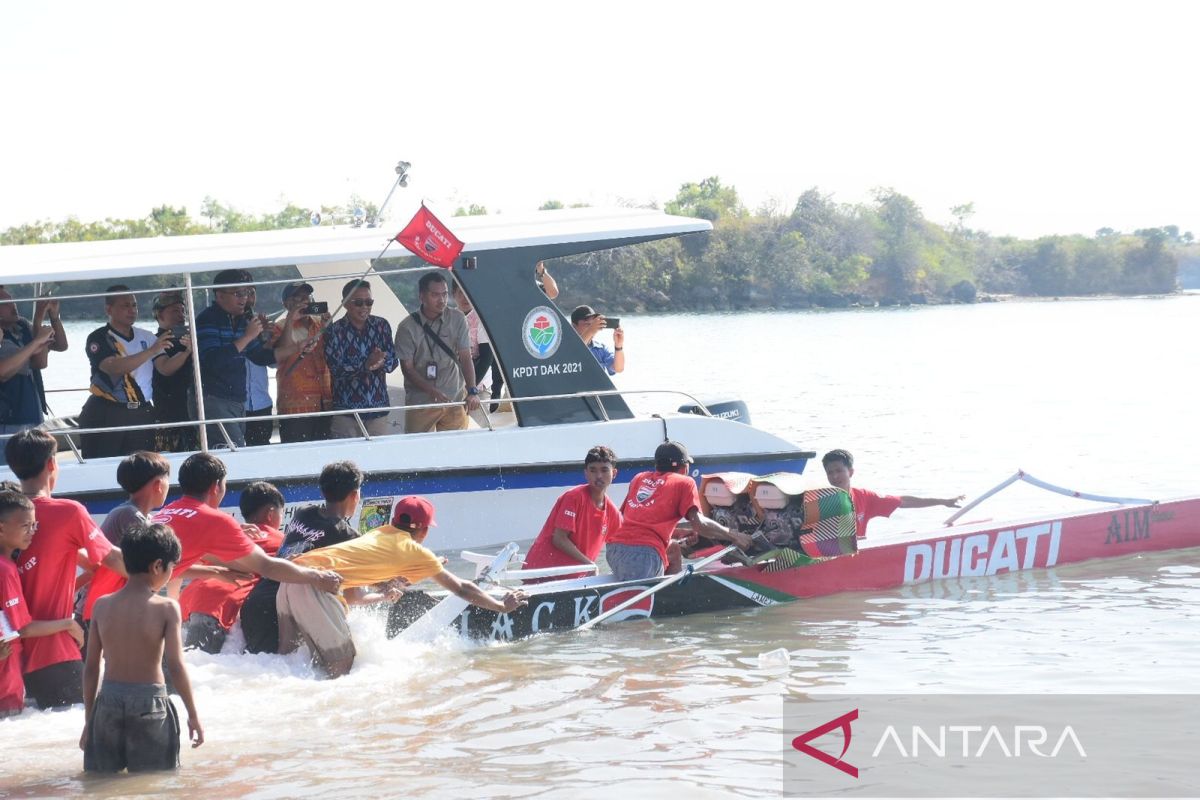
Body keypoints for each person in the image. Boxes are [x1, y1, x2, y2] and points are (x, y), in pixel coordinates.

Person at [278, 496, 528, 678]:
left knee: (286, 659)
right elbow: (462, 588)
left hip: (290, 578)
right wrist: (500, 605)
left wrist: (391, 586)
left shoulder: (377, 535)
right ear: (423, 528)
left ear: (395, 520)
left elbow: (360, 584)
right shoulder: (416, 552)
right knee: (342, 668)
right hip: (315, 583)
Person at [6, 429, 127, 709]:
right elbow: (113, 560)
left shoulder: (8, 518)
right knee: (87, 736)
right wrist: (156, 574)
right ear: (51, 464)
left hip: (12, 661)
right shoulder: (68, 512)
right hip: (53, 653)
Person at [81, 523, 203, 772]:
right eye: (172, 567)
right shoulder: (166, 608)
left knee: (101, 784)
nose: (171, 574)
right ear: (157, 566)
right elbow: (177, 667)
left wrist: (89, 720)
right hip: (150, 705)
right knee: (154, 784)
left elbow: (91, 667)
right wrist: (193, 715)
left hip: (107, 706)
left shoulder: (101, 606)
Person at [152, 452, 342, 601]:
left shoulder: (166, 512)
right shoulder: (215, 520)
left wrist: (216, 572)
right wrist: (317, 577)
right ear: (216, 486)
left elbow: (170, 567)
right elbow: (267, 567)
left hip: (130, 596)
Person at [240, 461, 363, 655]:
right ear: (354, 495)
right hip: (282, 612)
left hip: (254, 604)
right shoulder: (349, 537)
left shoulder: (303, 513)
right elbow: (354, 596)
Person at [605, 441, 751, 582]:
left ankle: (670, 591)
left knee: (674, 548)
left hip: (613, 551)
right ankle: (664, 601)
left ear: (657, 465)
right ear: (684, 468)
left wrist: (676, 533)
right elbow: (699, 525)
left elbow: (627, 521)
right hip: (643, 557)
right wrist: (734, 536)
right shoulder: (684, 482)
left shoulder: (639, 478)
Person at [0, 491, 85, 718]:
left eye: (34, 525)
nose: (33, 532)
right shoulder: (5, 570)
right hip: (6, 684)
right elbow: (22, 629)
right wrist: (68, 624)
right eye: (26, 526)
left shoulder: (8, 565)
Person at [180, 481, 285, 653]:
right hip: (216, 606)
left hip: (187, 601)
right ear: (271, 514)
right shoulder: (281, 541)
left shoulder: (228, 536)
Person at [77, 286, 170, 459]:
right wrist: (151, 351)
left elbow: (165, 367)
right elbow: (114, 367)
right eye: (125, 305)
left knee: (143, 467)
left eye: (134, 305)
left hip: (142, 411)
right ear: (109, 309)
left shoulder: (147, 336)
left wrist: (188, 352)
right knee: (102, 465)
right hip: (107, 411)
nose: (132, 310)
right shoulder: (99, 338)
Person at [82, 452, 173, 625]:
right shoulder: (130, 515)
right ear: (158, 485)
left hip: (107, 608)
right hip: (103, 611)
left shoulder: (129, 513)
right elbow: (153, 568)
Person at [194, 269, 275, 448]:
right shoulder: (207, 319)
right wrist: (247, 336)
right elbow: (212, 361)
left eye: (246, 293)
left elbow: (260, 357)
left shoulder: (241, 320)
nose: (244, 298)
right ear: (220, 295)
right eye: (238, 293)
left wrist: (297, 347)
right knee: (231, 452)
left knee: (236, 449)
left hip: (237, 400)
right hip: (214, 398)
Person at [522, 446, 621, 582]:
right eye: (593, 470)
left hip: (573, 581)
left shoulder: (612, 512)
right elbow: (559, 539)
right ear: (585, 473)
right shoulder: (574, 497)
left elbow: (620, 545)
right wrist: (589, 564)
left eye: (604, 470)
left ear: (614, 473)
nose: (598, 476)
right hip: (541, 575)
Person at [395, 271, 479, 433]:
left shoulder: (457, 318)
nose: (442, 300)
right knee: (418, 451)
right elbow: (407, 369)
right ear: (422, 296)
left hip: (454, 399)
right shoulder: (407, 327)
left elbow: (466, 357)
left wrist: (472, 390)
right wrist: (431, 391)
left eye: (445, 294)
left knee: (456, 451)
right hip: (421, 402)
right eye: (435, 295)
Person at [821, 449, 965, 538]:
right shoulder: (820, 502)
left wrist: (943, 501)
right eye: (830, 473)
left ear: (850, 472)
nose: (834, 477)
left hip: (859, 554)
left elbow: (903, 501)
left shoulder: (864, 497)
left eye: (839, 471)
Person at [323, 279, 399, 438]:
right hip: (347, 413)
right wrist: (366, 365)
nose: (365, 307)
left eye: (369, 302)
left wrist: (381, 362)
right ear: (344, 303)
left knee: (378, 461)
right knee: (344, 461)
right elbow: (335, 370)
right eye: (358, 302)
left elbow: (393, 362)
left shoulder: (382, 325)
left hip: (378, 411)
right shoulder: (334, 331)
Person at [272, 282, 332, 443]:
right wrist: (291, 318)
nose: (303, 301)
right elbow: (280, 354)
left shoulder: (320, 324)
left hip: (324, 402)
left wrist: (330, 327)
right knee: (297, 455)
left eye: (306, 297)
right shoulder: (278, 326)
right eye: (296, 298)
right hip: (295, 405)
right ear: (286, 304)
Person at [0, 288, 56, 447]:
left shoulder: (21, 326)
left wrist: (43, 320)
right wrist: (36, 342)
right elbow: (3, 372)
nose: (13, 305)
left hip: (30, 410)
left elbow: (40, 362)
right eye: (6, 302)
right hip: (8, 418)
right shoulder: (4, 339)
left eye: (12, 300)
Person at [150, 292, 195, 452]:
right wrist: (188, 351)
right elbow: (165, 369)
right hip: (168, 410)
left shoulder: (189, 338)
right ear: (160, 314)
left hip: (191, 407)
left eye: (182, 310)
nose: (181, 315)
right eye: (175, 311)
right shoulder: (154, 341)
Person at [452, 279, 494, 425]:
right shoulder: (448, 318)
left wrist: (470, 389)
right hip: (452, 388)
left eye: (468, 292)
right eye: (460, 293)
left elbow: (486, 358)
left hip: (478, 388)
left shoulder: (482, 319)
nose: (465, 297)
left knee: (478, 431)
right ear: (453, 294)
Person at [242, 285, 275, 447]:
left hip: (262, 401)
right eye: (243, 293)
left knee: (262, 447)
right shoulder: (228, 323)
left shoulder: (261, 323)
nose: (248, 297)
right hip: (237, 403)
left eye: (252, 293)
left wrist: (267, 338)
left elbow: (272, 362)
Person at [571, 305, 625, 375]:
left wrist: (618, 346)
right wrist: (591, 330)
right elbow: (574, 352)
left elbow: (618, 369)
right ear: (574, 326)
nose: (593, 328)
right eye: (587, 324)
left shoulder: (600, 349)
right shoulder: (565, 345)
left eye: (593, 324)